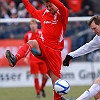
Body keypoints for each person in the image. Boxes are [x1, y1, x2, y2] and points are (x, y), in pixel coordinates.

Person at [5, 0, 69, 100]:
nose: (48, 8)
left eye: (50, 6)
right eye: (46, 6)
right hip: (42, 46)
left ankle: (59, 98)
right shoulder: (44, 13)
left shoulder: (63, 13)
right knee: (32, 42)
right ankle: (15, 59)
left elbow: (60, 5)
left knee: (56, 85)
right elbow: (32, 10)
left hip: (54, 52)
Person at [63, 15, 100, 100]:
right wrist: (70, 55)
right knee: (97, 95)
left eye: (95, 28)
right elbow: (87, 47)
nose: (93, 31)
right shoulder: (98, 39)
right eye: (92, 29)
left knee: (96, 87)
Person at [24, 19, 48, 98]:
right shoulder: (27, 35)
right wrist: (25, 57)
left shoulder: (42, 32)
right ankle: (38, 93)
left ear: (37, 25)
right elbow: (25, 47)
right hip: (33, 58)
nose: (33, 25)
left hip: (42, 57)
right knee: (36, 75)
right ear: (30, 25)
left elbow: (46, 43)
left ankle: (41, 88)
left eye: (34, 24)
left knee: (45, 76)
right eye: (31, 24)